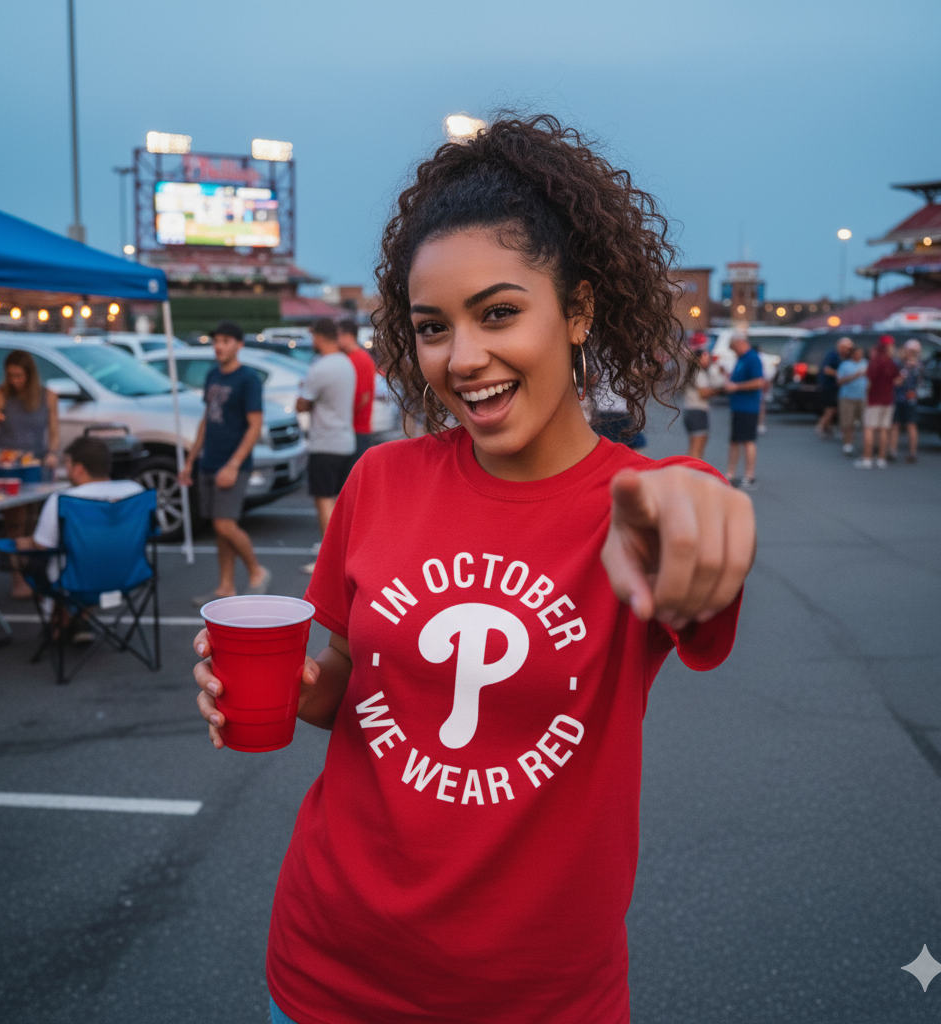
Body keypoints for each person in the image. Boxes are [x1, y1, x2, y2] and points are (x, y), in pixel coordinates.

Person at [192, 113, 756, 1024]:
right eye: (432, 327)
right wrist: (292, 689)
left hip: (537, 1001)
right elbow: (348, 687)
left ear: (577, 310)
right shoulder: (381, 481)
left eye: (499, 313)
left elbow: (695, 518)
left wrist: (706, 501)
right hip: (324, 972)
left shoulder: (643, 503)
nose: (464, 358)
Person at [15, 435, 143, 642]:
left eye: (67, 464)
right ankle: (81, 618)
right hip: (128, 579)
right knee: (94, 555)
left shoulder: (63, 500)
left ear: (79, 469)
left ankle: (60, 623)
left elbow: (41, 544)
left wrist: (21, 543)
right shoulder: (134, 492)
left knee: (41, 561)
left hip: (77, 583)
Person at [180, 321, 271, 605]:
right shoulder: (212, 376)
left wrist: (233, 465)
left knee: (224, 525)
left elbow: (255, 426)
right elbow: (207, 419)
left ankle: (257, 571)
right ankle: (225, 586)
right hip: (209, 461)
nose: (219, 346)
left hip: (234, 465)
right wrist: (190, 460)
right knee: (221, 529)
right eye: (216, 341)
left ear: (239, 345)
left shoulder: (248, 380)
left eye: (226, 341)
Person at [0, 349, 61, 598]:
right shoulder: (0, 395)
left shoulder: (47, 397)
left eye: (19, 375)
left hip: (35, 463)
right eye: (10, 375)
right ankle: (18, 579)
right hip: (8, 466)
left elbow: (54, 431)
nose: (15, 380)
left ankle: (36, 577)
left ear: (29, 374)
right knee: (15, 524)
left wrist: (52, 452)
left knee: (35, 523)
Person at [296, 318, 356, 574]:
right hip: (345, 439)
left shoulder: (321, 367)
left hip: (325, 442)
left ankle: (329, 559)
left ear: (320, 337)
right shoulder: (346, 363)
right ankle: (340, 554)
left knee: (323, 502)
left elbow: (301, 404)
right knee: (339, 503)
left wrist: (304, 393)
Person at [724, 329, 765, 489]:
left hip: (748, 406)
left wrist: (737, 387)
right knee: (734, 440)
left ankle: (749, 475)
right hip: (739, 406)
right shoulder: (741, 358)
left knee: (748, 440)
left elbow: (759, 382)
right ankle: (730, 473)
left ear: (741, 343)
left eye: (734, 347)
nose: (733, 351)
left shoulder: (752, 358)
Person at [856, 335, 900, 469]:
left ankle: (867, 458)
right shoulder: (892, 363)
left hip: (874, 399)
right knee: (883, 429)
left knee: (869, 428)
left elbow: (869, 381)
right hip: (888, 399)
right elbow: (898, 380)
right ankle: (881, 459)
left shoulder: (874, 362)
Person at [337, 318, 378, 458]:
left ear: (348, 336)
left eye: (338, 336)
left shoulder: (358, 359)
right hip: (354, 428)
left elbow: (361, 396)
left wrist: (343, 418)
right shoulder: (352, 357)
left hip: (357, 429)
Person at [889, 338, 922, 463]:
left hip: (907, 398)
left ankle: (911, 452)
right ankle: (893, 451)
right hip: (902, 398)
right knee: (897, 424)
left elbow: (897, 382)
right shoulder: (900, 363)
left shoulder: (914, 366)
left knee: (908, 425)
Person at [683, 345, 716, 460]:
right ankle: (691, 473)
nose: (707, 361)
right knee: (696, 449)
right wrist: (721, 390)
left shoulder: (694, 371)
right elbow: (703, 393)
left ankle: (691, 472)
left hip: (692, 411)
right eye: (704, 358)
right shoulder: (698, 372)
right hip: (696, 411)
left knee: (696, 447)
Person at [816, 337, 852, 439]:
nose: (846, 350)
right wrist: (840, 375)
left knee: (835, 408)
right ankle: (821, 426)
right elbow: (827, 370)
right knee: (830, 408)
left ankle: (829, 428)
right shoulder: (833, 355)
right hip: (829, 385)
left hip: (839, 387)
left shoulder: (845, 357)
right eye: (845, 347)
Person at [837, 345, 868, 455]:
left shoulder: (866, 364)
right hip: (847, 397)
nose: (859, 355)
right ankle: (848, 444)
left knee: (865, 423)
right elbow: (839, 381)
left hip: (863, 397)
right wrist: (855, 376)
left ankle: (866, 446)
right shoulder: (845, 365)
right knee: (848, 422)